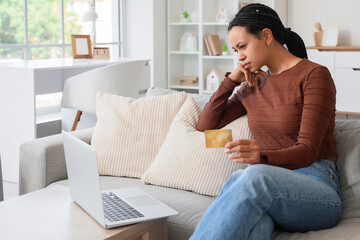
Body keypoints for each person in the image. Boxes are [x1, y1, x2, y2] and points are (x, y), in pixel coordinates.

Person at [190, 3, 341, 240]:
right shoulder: (253, 85)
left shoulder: (314, 75)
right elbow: (206, 126)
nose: (239, 57)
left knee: (251, 176)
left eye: (242, 47)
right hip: (269, 193)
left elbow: (308, 151)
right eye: (235, 50)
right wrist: (231, 80)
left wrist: (261, 157)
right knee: (254, 228)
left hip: (317, 188)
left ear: (267, 36)